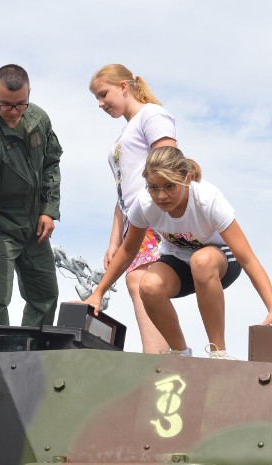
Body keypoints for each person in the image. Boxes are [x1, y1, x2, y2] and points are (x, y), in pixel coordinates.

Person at [83, 146, 272, 358]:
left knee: (202, 260)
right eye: (153, 187)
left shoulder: (208, 199)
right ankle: (180, 353)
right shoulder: (145, 204)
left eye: (170, 186)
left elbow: (248, 259)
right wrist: (98, 293)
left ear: (187, 179)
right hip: (178, 261)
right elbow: (127, 251)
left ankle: (218, 353)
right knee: (148, 285)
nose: (161, 196)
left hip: (220, 261)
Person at [0, 64, 63, 326]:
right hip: (1, 228)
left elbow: (51, 163)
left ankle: (36, 358)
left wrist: (49, 209)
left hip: (34, 228)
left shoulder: (38, 119)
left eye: (21, 105)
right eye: (6, 105)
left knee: (46, 295)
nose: (14, 112)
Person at [89, 64, 177, 353]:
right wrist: (115, 239)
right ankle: (160, 357)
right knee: (138, 281)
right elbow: (122, 192)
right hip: (135, 218)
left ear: (124, 86)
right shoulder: (127, 131)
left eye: (104, 94)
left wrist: (159, 205)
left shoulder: (152, 115)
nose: (101, 104)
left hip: (155, 213)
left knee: (143, 281)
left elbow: (168, 162)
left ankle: (159, 359)